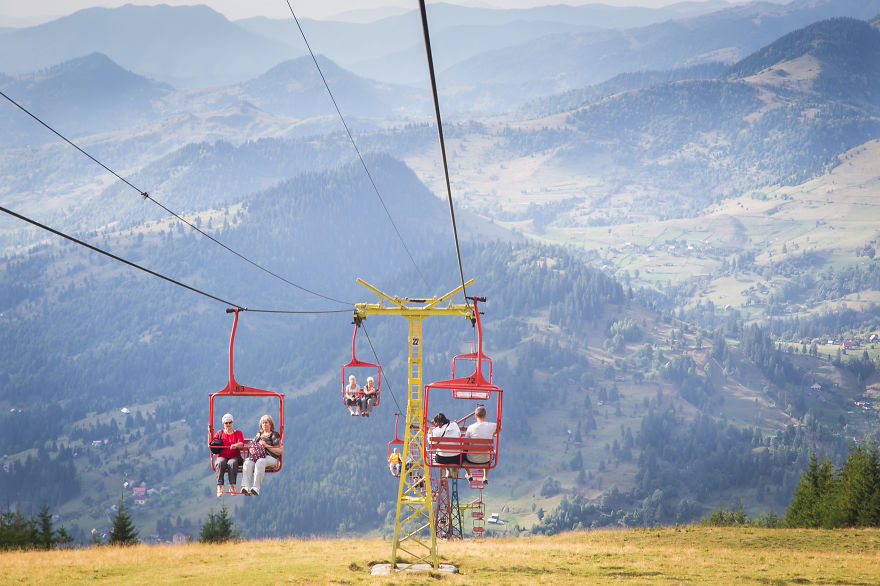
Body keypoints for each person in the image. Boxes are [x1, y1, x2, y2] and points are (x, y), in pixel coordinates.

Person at [239, 414, 283, 496]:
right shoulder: (259, 435)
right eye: (263, 423)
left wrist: (266, 445)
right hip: (258, 456)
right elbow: (253, 443)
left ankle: (256, 487)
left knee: (260, 462)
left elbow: (280, 451)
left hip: (271, 458)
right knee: (248, 462)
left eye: (266, 422)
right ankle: (246, 487)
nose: (264, 424)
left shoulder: (274, 435)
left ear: (270, 424)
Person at [463, 405, 500, 486]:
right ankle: (485, 477)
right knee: (487, 454)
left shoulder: (470, 427)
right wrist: (493, 433)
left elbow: (465, 442)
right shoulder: (491, 426)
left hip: (471, 459)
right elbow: (500, 427)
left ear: (475, 416)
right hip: (486, 459)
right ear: (485, 415)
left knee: (462, 453)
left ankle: (468, 474)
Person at [211, 413, 244, 498]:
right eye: (226, 423)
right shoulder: (220, 433)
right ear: (223, 424)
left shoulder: (237, 433)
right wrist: (210, 432)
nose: (228, 424)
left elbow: (241, 442)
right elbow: (213, 442)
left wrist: (236, 445)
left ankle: (232, 485)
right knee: (220, 463)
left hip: (235, 456)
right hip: (223, 455)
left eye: (230, 422)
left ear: (232, 423)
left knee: (232, 463)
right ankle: (220, 486)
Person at [429, 412, 461, 477]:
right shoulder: (454, 425)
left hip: (442, 459)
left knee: (444, 452)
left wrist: (429, 433)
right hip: (456, 458)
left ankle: (447, 470)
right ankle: (454, 471)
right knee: (453, 451)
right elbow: (459, 435)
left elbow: (431, 444)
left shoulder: (435, 431)